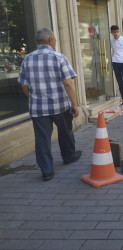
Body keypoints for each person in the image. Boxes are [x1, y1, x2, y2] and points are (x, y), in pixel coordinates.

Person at [18, 28, 82, 181]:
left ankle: (47, 170)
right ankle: (68, 156)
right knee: (65, 132)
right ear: (51, 40)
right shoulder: (59, 57)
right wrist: (74, 104)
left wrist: (31, 98)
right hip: (59, 105)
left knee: (42, 139)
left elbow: (23, 84)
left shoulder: (27, 58)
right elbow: (68, 83)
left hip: (38, 108)